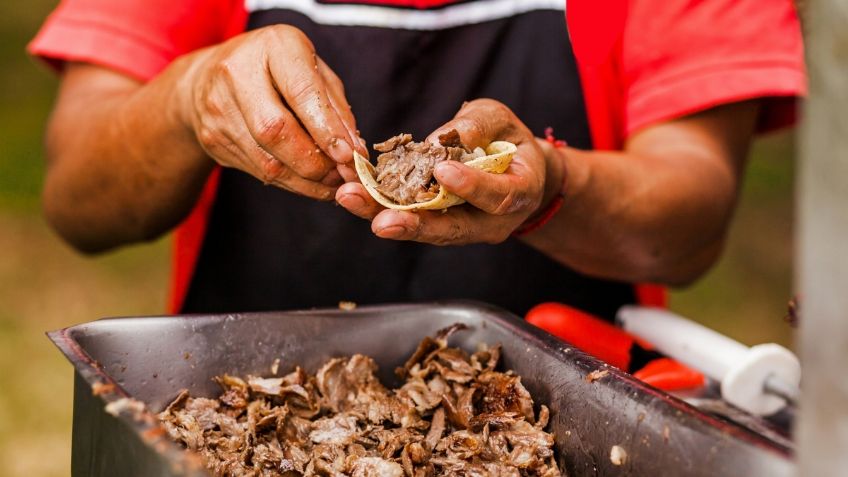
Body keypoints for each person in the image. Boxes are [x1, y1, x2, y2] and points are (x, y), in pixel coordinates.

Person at [29, 0, 804, 320]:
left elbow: (693, 219)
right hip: (244, 415)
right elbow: (77, 199)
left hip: (571, 431)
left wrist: (551, 186)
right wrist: (188, 95)